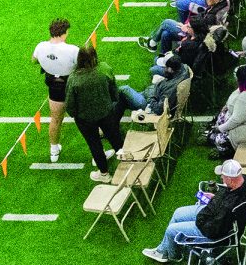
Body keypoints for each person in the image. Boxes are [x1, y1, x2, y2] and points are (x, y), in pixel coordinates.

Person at [142, 159, 246, 264]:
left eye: (223, 176)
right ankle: (164, 248)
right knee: (178, 213)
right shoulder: (244, 181)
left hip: (213, 229)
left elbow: (214, 228)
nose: (221, 178)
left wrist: (199, 219)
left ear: (230, 179)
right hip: (215, 212)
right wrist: (214, 198)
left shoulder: (228, 206)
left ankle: (173, 256)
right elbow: (226, 197)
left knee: (171, 230)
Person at [64, 46, 123, 183]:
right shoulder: (104, 69)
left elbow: (70, 103)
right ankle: (127, 163)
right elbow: (114, 89)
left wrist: (74, 115)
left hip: (85, 118)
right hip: (106, 111)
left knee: (94, 144)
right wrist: (113, 100)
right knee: (115, 137)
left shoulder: (74, 78)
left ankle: (104, 174)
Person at [31, 19, 78, 163]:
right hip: (72, 86)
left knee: (56, 119)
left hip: (54, 87)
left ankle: (54, 151)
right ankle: (97, 151)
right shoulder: (73, 50)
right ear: (64, 33)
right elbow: (83, 66)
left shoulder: (40, 47)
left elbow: (34, 60)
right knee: (86, 119)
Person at [118, 56, 189, 117]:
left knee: (124, 89)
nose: (164, 69)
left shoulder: (171, 88)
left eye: (166, 68)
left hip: (148, 105)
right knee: (123, 99)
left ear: (172, 69)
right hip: (154, 94)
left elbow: (159, 109)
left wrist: (151, 96)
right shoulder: (183, 69)